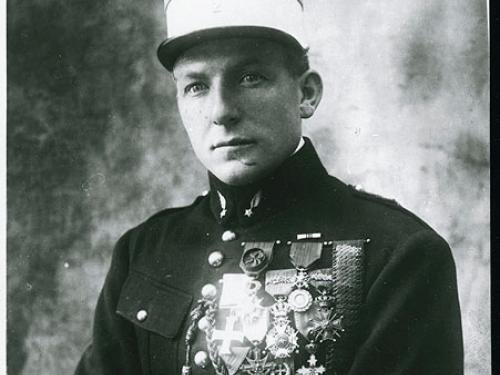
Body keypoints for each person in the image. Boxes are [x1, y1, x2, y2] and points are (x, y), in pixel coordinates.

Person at [75, 0, 463, 374]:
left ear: (306, 94)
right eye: (196, 86)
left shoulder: (399, 253)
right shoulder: (143, 250)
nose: (221, 111)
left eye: (250, 78)